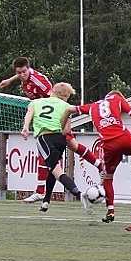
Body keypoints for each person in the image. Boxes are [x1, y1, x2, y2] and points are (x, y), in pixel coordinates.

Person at [0, 57, 102, 202]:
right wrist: (10, 80)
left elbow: (54, 101)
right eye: (19, 73)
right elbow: (22, 75)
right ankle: (41, 192)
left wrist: (59, 121)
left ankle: (98, 168)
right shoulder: (24, 76)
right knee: (62, 150)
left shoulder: (38, 82)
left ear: (29, 69)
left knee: (68, 148)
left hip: (54, 121)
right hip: (49, 121)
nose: (21, 75)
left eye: (23, 72)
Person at [21, 82, 94, 215]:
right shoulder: (66, 106)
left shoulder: (36, 102)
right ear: (64, 95)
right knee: (53, 170)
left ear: (52, 92)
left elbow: (29, 112)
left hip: (44, 138)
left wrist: (25, 127)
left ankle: (79, 194)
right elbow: (67, 130)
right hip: (60, 139)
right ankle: (46, 200)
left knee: (58, 172)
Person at [73, 90, 131, 223]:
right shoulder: (118, 99)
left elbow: (70, 109)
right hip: (124, 138)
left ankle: (110, 211)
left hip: (108, 144)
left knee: (108, 177)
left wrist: (64, 124)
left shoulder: (93, 106)